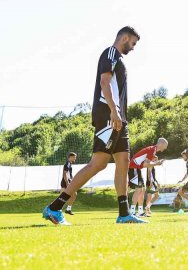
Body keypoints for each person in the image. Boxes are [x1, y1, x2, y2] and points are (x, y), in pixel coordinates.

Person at [43, 26, 145, 225]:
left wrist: (120, 115)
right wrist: (114, 111)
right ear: (124, 37)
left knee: (123, 162)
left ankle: (124, 214)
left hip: (119, 119)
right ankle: (54, 208)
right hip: (108, 115)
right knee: (98, 163)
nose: (133, 48)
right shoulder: (111, 52)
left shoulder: (119, 59)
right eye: (132, 43)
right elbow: (104, 82)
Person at [128, 138, 167, 216]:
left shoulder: (153, 150)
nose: (165, 148)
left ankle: (140, 211)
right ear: (161, 144)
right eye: (165, 146)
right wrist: (157, 163)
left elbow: (145, 164)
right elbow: (145, 165)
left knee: (143, 189)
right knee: (139, 189)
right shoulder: (152, 150)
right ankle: (131, 211)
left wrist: (156, 163)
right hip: (133, 167)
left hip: (137, 168)